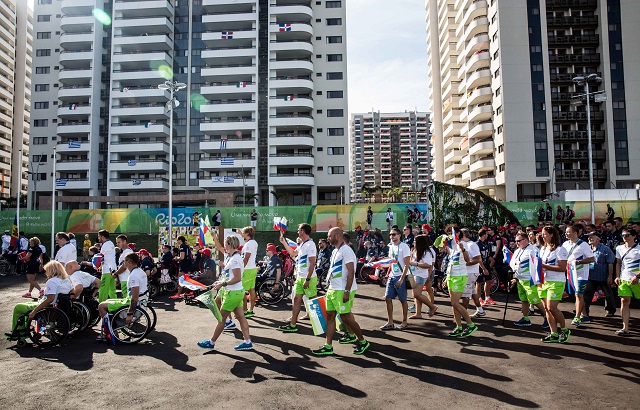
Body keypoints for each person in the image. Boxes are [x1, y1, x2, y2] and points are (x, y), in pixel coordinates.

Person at [312, 227, 370, 356]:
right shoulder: (335, 251)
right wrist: (329, 288)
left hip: (342, 289)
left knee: (346, 317)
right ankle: (328, 346)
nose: (328, 238)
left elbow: (351, 271)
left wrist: (347, 291)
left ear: (337, 236)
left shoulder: (346, 250)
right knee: (331, 316)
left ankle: (363, 341)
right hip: (333, 289)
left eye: (329, 236)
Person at [197, 235, 253, 351]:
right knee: (241, 317)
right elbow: (230, 276)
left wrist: (223, 284)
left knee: (221, 319)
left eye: (225, 243)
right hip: (236, 292)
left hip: (232, 293)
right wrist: (220, 281)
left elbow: (237, 278)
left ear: (229, 244)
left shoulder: (235, 259)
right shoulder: (232, 257)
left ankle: (211, 343)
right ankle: (247, 341)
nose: (224, 246)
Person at [6, 261, 72, 340]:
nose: (46, 273)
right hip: (58, 306)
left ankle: (20, 332)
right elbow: (71, 291)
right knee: (28, 303)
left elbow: (50, 299)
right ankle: (28, 327)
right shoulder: (66, 280)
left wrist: (34, 311)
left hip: (47, 307)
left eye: (47, 270)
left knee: (18, 307)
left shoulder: (52, 281)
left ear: (51, 270)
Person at [97, 253, 148, 343]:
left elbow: (134, 298)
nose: (123, 263)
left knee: (101, 306)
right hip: (142, 300)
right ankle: (112, 329)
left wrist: (130, 314)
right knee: (108, 301)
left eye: (124, 261)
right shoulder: (140, 271)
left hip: (131, 303)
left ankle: (112, 333)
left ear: (128, 262)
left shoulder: (133, 276)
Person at [277, 224, 317, 333]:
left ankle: (320, 325)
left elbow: (312, 263)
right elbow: (292, 253)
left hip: (308, 278)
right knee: (296, 299)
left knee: (313, 301)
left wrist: (308, 280)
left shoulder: (311, 245)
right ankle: (293, 325)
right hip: (300, 277)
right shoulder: (303, 244)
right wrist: (284, 242)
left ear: (303, 231)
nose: (297, 232)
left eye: (298, 230)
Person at [444, 225, 479, 337]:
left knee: (455, 302)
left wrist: (462, 249)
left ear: (458, 233)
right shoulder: (451, 246)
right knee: (454, 304)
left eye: (452, 232)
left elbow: (468, 260)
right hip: (451, 276)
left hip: (460, 276)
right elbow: (451, 262)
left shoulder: (462, 244)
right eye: (448, 232)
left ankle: (471, 324)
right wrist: (447, 277)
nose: (450, 234)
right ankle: (458, 327)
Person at [539, 226, 570, 343]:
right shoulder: (543, 249)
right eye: (542, 234)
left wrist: (544, 266)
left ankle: (564, 329)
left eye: (545, 234)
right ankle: (554, 333)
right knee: (547, 309)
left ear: (552, 234)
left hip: (556, 281)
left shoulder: (560, 249)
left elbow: (562, 268)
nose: (543, 236)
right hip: (544, 281)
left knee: (552, 307)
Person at [509, 231, 547, 328]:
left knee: (535, 300)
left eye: (518, 241)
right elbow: (515, 265)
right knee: (524, 300)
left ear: (525, 240)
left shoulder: (532, 250)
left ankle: (548, 317)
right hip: (520, 279)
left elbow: (537, 264)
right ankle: (526, 318)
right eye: (516, 241)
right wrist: (515, 278)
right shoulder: (518, 250)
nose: (516, 243)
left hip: (530, 279)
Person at [562, 225, 595, 326]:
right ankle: (584, 315)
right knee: (576, 295)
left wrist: (579, 262)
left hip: (581, 275)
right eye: (566, 232)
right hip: (570, 273)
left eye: (568, 232)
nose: (566, 234)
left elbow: (592, 259)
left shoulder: (583, 245)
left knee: (578, 294)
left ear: (575, 233)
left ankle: (577, 317)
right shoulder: (565, 244)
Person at [380, 227, 410, 330]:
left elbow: (407, 264)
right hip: (392, 276)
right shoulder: (391, 247)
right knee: (388, 298)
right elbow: (391, 262)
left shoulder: (404, 247)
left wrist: (401, 279)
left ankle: (405, 321)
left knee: (403, 300)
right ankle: (390, 322)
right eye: (390, 235)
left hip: (400, 276)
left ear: (399, 235)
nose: (391, 236)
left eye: (394, 234)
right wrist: (381, 265)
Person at [614, 228, 640, 336]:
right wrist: (617, 276)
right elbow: (618, 263)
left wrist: (638, 276)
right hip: (624, 279)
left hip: (637, 279)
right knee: (624, 302)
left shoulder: (639, 249)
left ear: (634, 236)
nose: (625, 237)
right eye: (623, 235)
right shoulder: (619, 248)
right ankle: (625, 328)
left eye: (627, 235)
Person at [584, 233, 616, 318]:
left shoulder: (605, 249)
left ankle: (610, 310)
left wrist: (610, 276)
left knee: (608, 295)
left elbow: (610, 263)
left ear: (598, 238)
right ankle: (584, 312)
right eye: (589, 237)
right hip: (591, 276)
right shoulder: (587, 248)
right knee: (587, 294)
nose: (590, 238)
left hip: (603, 276)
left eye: (592, 236)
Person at [408, 234, 438, 319]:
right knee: (416, 295)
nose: (413, 242)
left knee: (417, 294)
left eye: (415, 241)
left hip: (420, 275)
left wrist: (415, 263)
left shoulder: (426, 252)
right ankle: (418, 313)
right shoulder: (414, 250)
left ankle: (432, 306)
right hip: (412, 274)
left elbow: (428, 265)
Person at [240, 226, 258, 318]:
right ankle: (250, 310)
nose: (242, 234)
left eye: (243, 233)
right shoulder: (253, 242)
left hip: (247, 269)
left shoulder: (248, 244)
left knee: (241, 290)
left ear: (247, 234)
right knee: (251, 290)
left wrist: (241, 268)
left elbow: (246, 257)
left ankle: (245, 311)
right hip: (252, 268)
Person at [476, 228, 495, 306]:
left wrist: (490, 263)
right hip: (479, 266)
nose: (488, 235)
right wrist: (483, 268)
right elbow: (478, 258)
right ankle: (479, 299)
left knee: (488, 281)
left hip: (486, 264)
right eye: (487, 234)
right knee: (479, 283)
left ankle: (487, 297)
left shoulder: (485, 243)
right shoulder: (477, 244)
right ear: (484, 235)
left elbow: (487, 256)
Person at [97, 229, 117, 302]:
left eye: (99, 236)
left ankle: (101, 305)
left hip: (107, 270)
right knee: (112, 289)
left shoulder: (105, 245)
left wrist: (96, 265)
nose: (98, 238)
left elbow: (100, 257)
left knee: (103, 288)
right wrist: (101, 266)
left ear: (102, 237)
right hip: (113, 269)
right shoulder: (111, 243)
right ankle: (115, 306)